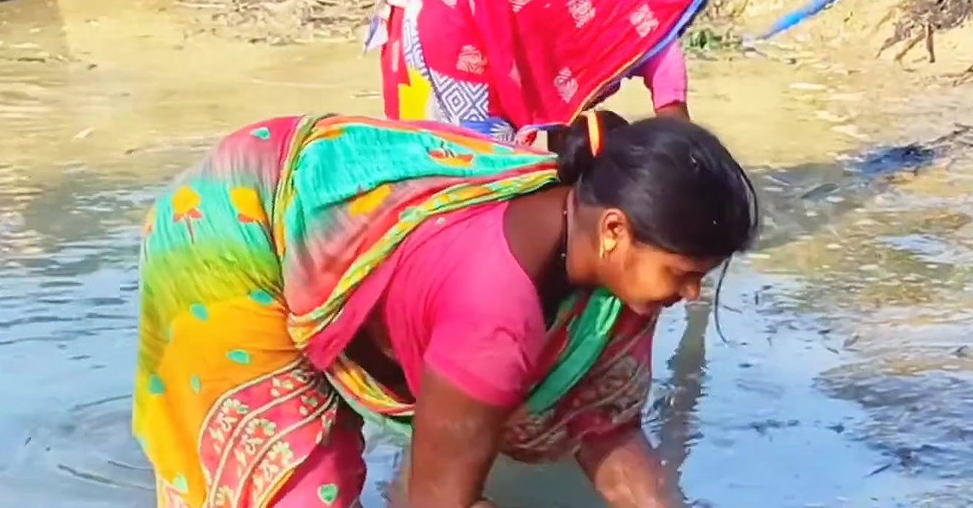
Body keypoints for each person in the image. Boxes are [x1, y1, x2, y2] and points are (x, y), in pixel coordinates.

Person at [132, 109, 758, 508]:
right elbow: (435, 502)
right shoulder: (493, 315)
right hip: (239, 229)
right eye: (682, 274)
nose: (690, 296)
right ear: (616, 231)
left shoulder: (601, 265)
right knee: (302, 487)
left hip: (314, 205)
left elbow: (604, 424)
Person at [364, 0, 710, 144]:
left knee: (442, 149)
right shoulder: (654, 27)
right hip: (456, 13)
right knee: (485, 165)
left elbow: (560, 112)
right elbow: (676, 130)